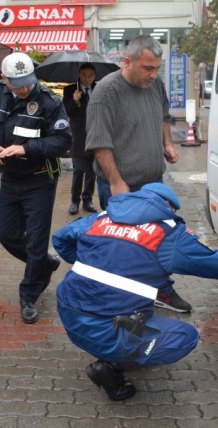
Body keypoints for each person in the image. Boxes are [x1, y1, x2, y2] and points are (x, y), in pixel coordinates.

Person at [52, 183, 218, 401]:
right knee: (185, 337)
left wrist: (89, 264)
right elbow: (217, 264)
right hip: (106, 328)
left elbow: (60, 238)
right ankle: (112, 366)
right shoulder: (168, 233)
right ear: (166, 206)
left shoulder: (102, 218)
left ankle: (117, 349)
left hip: (68, 313)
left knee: (144, 313)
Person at [85, 35, 190, 313]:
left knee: (159, 240)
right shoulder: (105, 92)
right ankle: (124, 303)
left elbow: (164, 115)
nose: (153, 75)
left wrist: (166, 142)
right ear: (127, 61)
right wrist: (118, 182)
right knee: (125, 249)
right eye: (147, 68)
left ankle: (161, 290)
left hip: (154, 185)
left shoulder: (155, 86)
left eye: (157, 68)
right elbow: (99, 143)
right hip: (122, 188)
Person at [0, 52, 72, 324]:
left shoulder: (49, 102)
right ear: (4, 80)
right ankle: (43, 262)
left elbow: (63, 140)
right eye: (17, 83)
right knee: (6, 235)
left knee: (36, 239)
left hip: (40, 179)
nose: (24, 88)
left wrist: (26, 148)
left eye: (27, 82)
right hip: (10, 179)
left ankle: (29, 294)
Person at [63, 63, 98, 215]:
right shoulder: (70, 89)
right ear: (79, 74)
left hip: (95, 135)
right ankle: (74, 201)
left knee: (92, 171)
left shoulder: (99, 89)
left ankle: (87, 199)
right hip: (78, 136)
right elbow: (66, 111)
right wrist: (73, 100)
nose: (88, 78)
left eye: (91, 75)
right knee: (79, 170)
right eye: (85, 75)